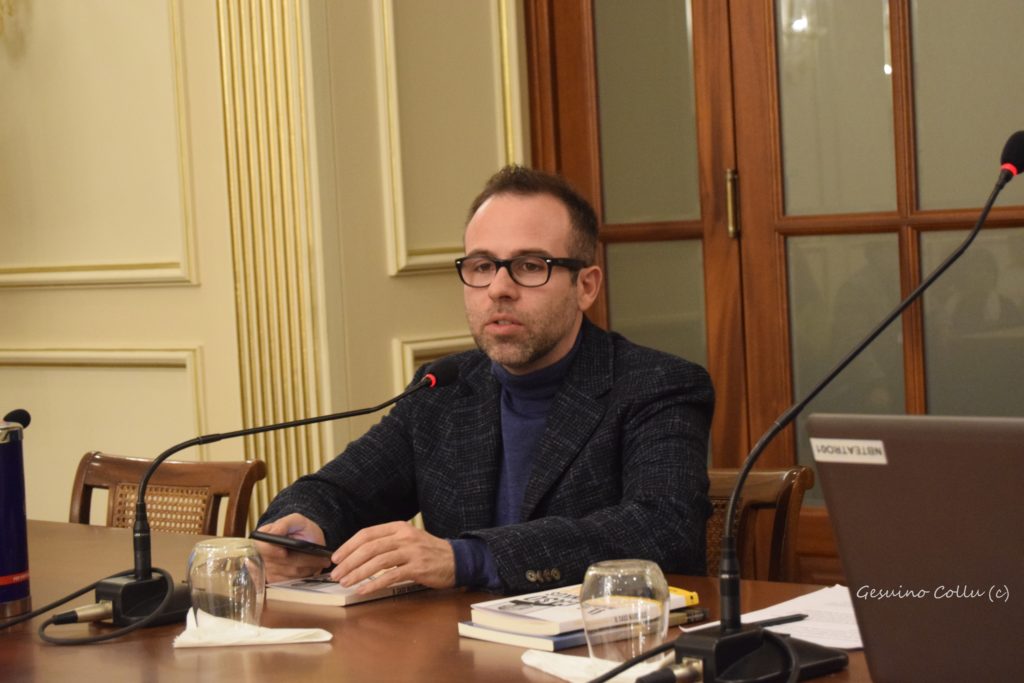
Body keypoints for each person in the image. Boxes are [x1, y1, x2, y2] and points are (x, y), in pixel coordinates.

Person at [255, 165, 714, 595]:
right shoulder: (445, 388)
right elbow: (339, 491)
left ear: (586, 286)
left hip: (601, 644)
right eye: (481, 266)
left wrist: (468, 557)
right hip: (460, 642)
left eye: (530, 266)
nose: (498, 288)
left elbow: (662, 528)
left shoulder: (658, 385)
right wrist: (306, 527)